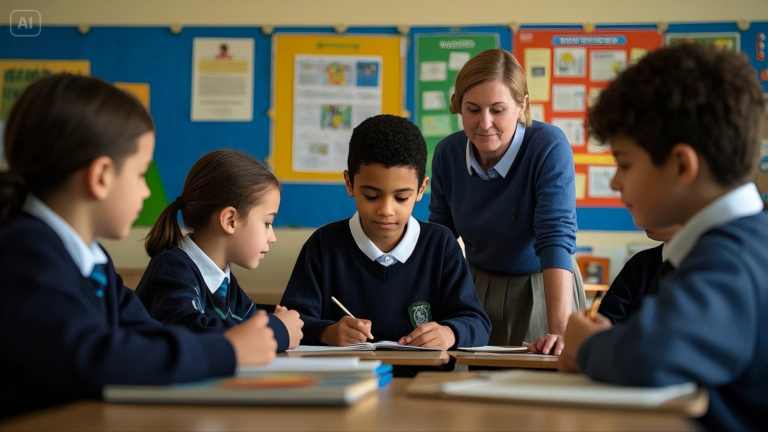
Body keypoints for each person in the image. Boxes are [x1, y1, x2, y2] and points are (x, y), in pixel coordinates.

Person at [0, 74, 276, 419]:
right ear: (101, 176)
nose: (147, 192)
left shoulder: (92, 259)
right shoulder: (25, 253)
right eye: (141, 173)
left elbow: (150, 335)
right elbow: (94, 358)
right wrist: (227, 351)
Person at [558, 43, 767, 431]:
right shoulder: (745, 242)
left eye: (624, 163)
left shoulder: (731, 258)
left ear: (681, 164)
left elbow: (655, 354)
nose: (617, 182)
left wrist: (588, 346)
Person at [280, 114, 490, 349]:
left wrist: (449, 333)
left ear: (421, 189)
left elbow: (477, 324)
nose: (386, 210)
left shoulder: (441, 245)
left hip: (423, 381)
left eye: (401, 197)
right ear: (349, 183)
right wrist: (327, 332)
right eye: (371, 196)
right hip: (346, 380)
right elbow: (289, 322)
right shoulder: (323, 245)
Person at [429, 48, 585, 354]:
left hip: (543, 287)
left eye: (497, 110)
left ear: (522, 104)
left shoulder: (547, 146)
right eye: (472, 109)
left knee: (539, 385)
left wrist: (560, 330)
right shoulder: (447, 153)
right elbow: (441, 238)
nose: (484, 123)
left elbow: (555, 236)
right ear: (459, 106)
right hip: (474, 289)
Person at [135, 149, 303, 352]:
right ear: (230, 221)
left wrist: (282, 321)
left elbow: (248, 319)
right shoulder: (173, 269)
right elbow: (189, 331)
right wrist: (277, 330)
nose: (272, 237)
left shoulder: (224, 280)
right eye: (267, 223)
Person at [597, 224, 681, 324]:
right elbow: (608, 319)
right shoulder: (640, 262)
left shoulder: (699, 266)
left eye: (655, 210)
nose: (641, 222)